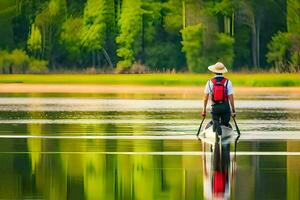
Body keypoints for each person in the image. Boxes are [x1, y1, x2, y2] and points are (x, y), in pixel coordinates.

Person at [202, 62, 236, 135]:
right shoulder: (228, 82)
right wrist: (233, 110)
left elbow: (205, 98)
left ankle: (216, 124)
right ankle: (222, 127)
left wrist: (204, 111)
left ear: (214, 71)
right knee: (225, 123)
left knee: (215, 120)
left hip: (215, 107)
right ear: (223, 72)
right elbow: (231, 97)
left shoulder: (209, 82)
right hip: (225, 107)